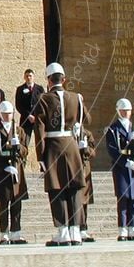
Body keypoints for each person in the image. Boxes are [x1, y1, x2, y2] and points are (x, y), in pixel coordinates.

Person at [34, 62, 90, 246]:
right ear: (63, 79)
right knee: (74, 188)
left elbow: (40, 129)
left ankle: (63, 231)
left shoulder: (44, 99)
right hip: (72, 145)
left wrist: (41, 156)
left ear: (49, 80)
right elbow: (84, 121)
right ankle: (76, 231)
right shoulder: (76, 98)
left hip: (53, 146)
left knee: (56, 189)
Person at [106, 98, 134, 241]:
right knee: (123, 199)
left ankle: (133, 228)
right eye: (123, 110)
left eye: (128, 110)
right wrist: (124, 163)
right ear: (118, 111)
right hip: (122, 167)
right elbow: (112, 150)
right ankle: (123, 229)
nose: (126, 113)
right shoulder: (113, 129)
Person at [0, 101, 29, 245]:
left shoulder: (20, 131)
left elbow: (25, 151)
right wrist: (4, 166)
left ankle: (16, 233)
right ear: (0, 114)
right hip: (2, 172)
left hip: (16, 171)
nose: (7, 116)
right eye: (4, 114)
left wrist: (19, 147)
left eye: (9, 113)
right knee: (3, 204)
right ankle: (4, 234)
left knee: (17, 204)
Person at [14, 68, 44, 148]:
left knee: (41, 140)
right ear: (24, 77)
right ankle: (23, 159)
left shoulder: (40, 89)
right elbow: (18, 105)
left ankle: (42, 159)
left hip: (38, 119)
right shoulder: (20, 89)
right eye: (27, 76)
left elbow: (42, 104)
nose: (29, 78)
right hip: (25, 119)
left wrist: (37, 116)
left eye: (30, 76)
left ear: (33, 77)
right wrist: (28, 115)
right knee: (24, 141)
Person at [78, 127, 97, 242]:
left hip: (84, 169)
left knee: (84, 200)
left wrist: (85, 149)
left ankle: (83, 228)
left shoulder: (87, 133)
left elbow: (93, 152)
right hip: (72, 168)